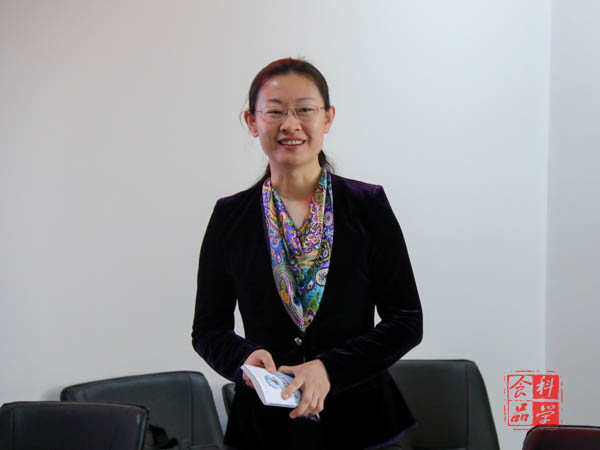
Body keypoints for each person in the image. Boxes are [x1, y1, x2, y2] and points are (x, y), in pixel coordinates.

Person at [192, 57, 422, 450]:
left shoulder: (366, 206)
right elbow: (208, 329)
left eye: (304, 109)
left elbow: (406, 320)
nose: (290, 124)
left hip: (363, 425)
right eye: (275, 111)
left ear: (328, 117)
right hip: (264, 427)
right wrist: (243, 358)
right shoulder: (231, 216)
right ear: (252, 121)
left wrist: (329, 368)